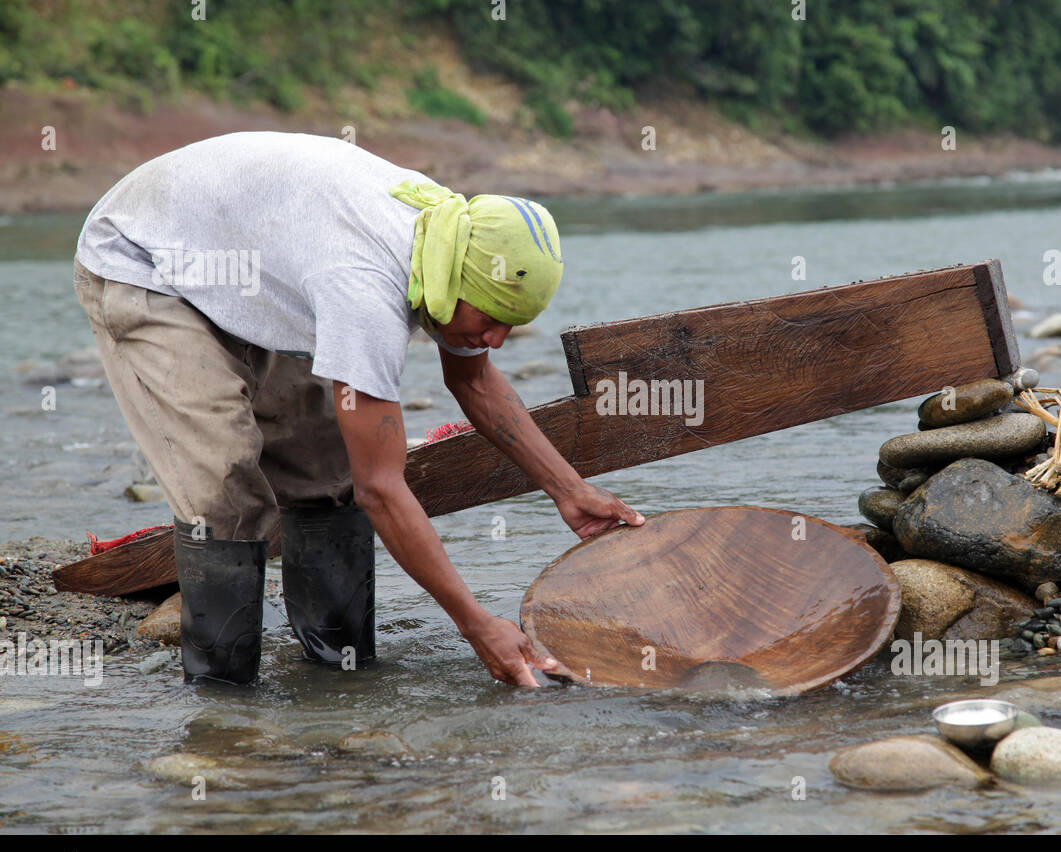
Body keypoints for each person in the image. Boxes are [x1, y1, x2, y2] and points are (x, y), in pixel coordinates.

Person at [72, 131, 643, 688]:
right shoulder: (367, 290)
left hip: (252, 254)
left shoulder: (454, 242)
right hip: (143, 256)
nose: (497, 339)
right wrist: (478, 627)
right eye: (490, 319)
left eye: (511, 325)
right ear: (456, 284)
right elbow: (384, 490)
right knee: (224, 485)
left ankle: (338, 674)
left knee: (325, 469)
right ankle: (225, 709)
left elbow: (476, 382)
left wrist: (569, 489)